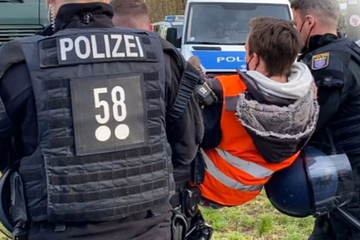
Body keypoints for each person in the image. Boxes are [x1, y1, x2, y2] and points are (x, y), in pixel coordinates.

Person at [0, 0, 204, 240]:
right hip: (150, 228)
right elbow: (186, 150)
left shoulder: (19, 63)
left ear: (50, 2)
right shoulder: (160, 54)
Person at [198, 17, 319, 208]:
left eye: (247, 52)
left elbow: (195, 135)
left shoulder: (225, 91)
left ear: (254, 59)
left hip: (209, 185)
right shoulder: (309, 93)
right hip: (250, 189)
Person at [291, 0, 360, 239]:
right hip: (341, 176)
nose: (293, 30)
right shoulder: (351, 50)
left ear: (309, 23)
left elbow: (307, 124)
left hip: (350, 179)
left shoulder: (326, 62)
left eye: (295, 23)